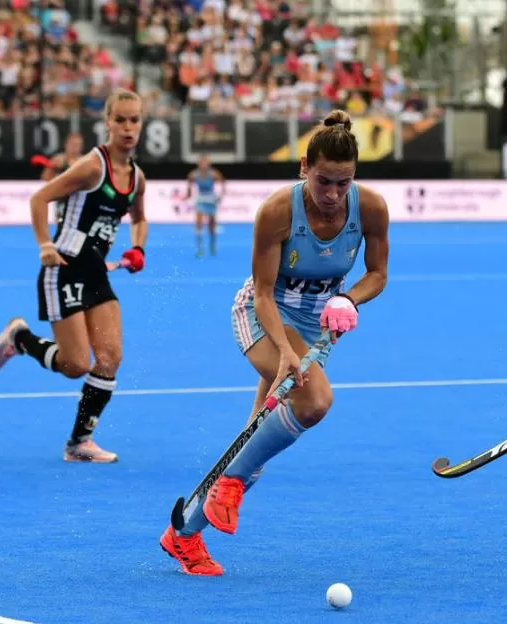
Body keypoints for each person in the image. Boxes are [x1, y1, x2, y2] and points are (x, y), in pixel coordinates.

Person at [159, 110, 391, 576]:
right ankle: (228, 486)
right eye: (324, 181)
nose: (332, 195)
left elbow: (378, 275)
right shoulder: (277, 211)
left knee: (257, 442)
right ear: (304, 167)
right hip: (263, 315)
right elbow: (262, 292)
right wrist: (284, 353)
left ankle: (183, 536)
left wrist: (349, 297)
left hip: (314, 327)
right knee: (314, 402)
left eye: (343, 184)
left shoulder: (370, 208)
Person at [0, 89, 148, 463]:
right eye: (120, 119)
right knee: (76, 365)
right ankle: (21, 338)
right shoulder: (94, 166)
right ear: (107, 122)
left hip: (96, 273)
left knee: (109, 358)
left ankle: (79, 443)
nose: (127, 127)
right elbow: (39, 198)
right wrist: (45, 243)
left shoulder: (137, 178)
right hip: (64, 268)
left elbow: (139, 219)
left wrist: (138, 248)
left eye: (134, 120)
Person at [185, 155, 225, 257]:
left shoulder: (214, 174)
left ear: (208, 164)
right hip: (201, 199)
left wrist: (221, 195)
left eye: (205, 163)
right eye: (202, 163)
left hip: (211, 200)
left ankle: (212, 245)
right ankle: (199, 248)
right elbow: (189, 185)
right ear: (199, 164)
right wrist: (188, 194)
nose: (203, 165)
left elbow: (223, 182)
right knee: (198, 223)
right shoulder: (193, 175)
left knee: (211, 226)